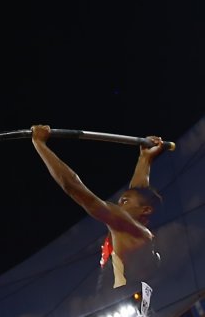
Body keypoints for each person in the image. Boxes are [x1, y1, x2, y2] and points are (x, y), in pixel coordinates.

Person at [30, 125, 166, 309]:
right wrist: (144, 158)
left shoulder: (130, 229)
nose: (119, 204)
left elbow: (73, 186)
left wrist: (40, 144)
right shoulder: (132, 228)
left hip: (124, 304)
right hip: (124, 302)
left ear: (146, 210)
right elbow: (137, 192)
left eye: (124, 202)